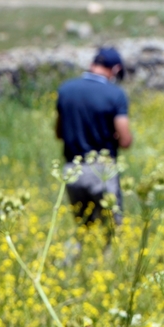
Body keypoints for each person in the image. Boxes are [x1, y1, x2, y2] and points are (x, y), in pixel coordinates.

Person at [55, 47, 133, 226]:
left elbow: (59, 133)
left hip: (72, 171)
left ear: (92, 64)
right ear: (116, 70)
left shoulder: (65, 89)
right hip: (102, 172)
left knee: (84, 228)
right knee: (112, 230)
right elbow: (125, 140)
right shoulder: (115, 94)